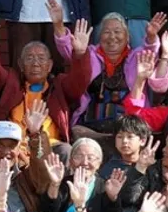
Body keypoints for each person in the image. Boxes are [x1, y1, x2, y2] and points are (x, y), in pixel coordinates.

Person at [0, 9, 92, 149]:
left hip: (51, 147)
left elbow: (79, 81)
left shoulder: (59, 86)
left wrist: (80, 54)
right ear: (20, 65)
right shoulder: (12, 83)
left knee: (65, 150)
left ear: (50, 65)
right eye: (30, 58)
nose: (35, 63)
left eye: (41, 58)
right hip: (15, 147)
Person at [57, 10, 162, 150]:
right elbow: (69, 51)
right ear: (99, 37)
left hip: (126, 126)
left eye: (117, 31)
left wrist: (151, 36)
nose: (112, 36)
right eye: (106, 32)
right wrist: (58, 25)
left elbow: (151, 51)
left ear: (127, 37)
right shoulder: (90, 54)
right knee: (78, 133)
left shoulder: (137, 56)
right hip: (90, 127)